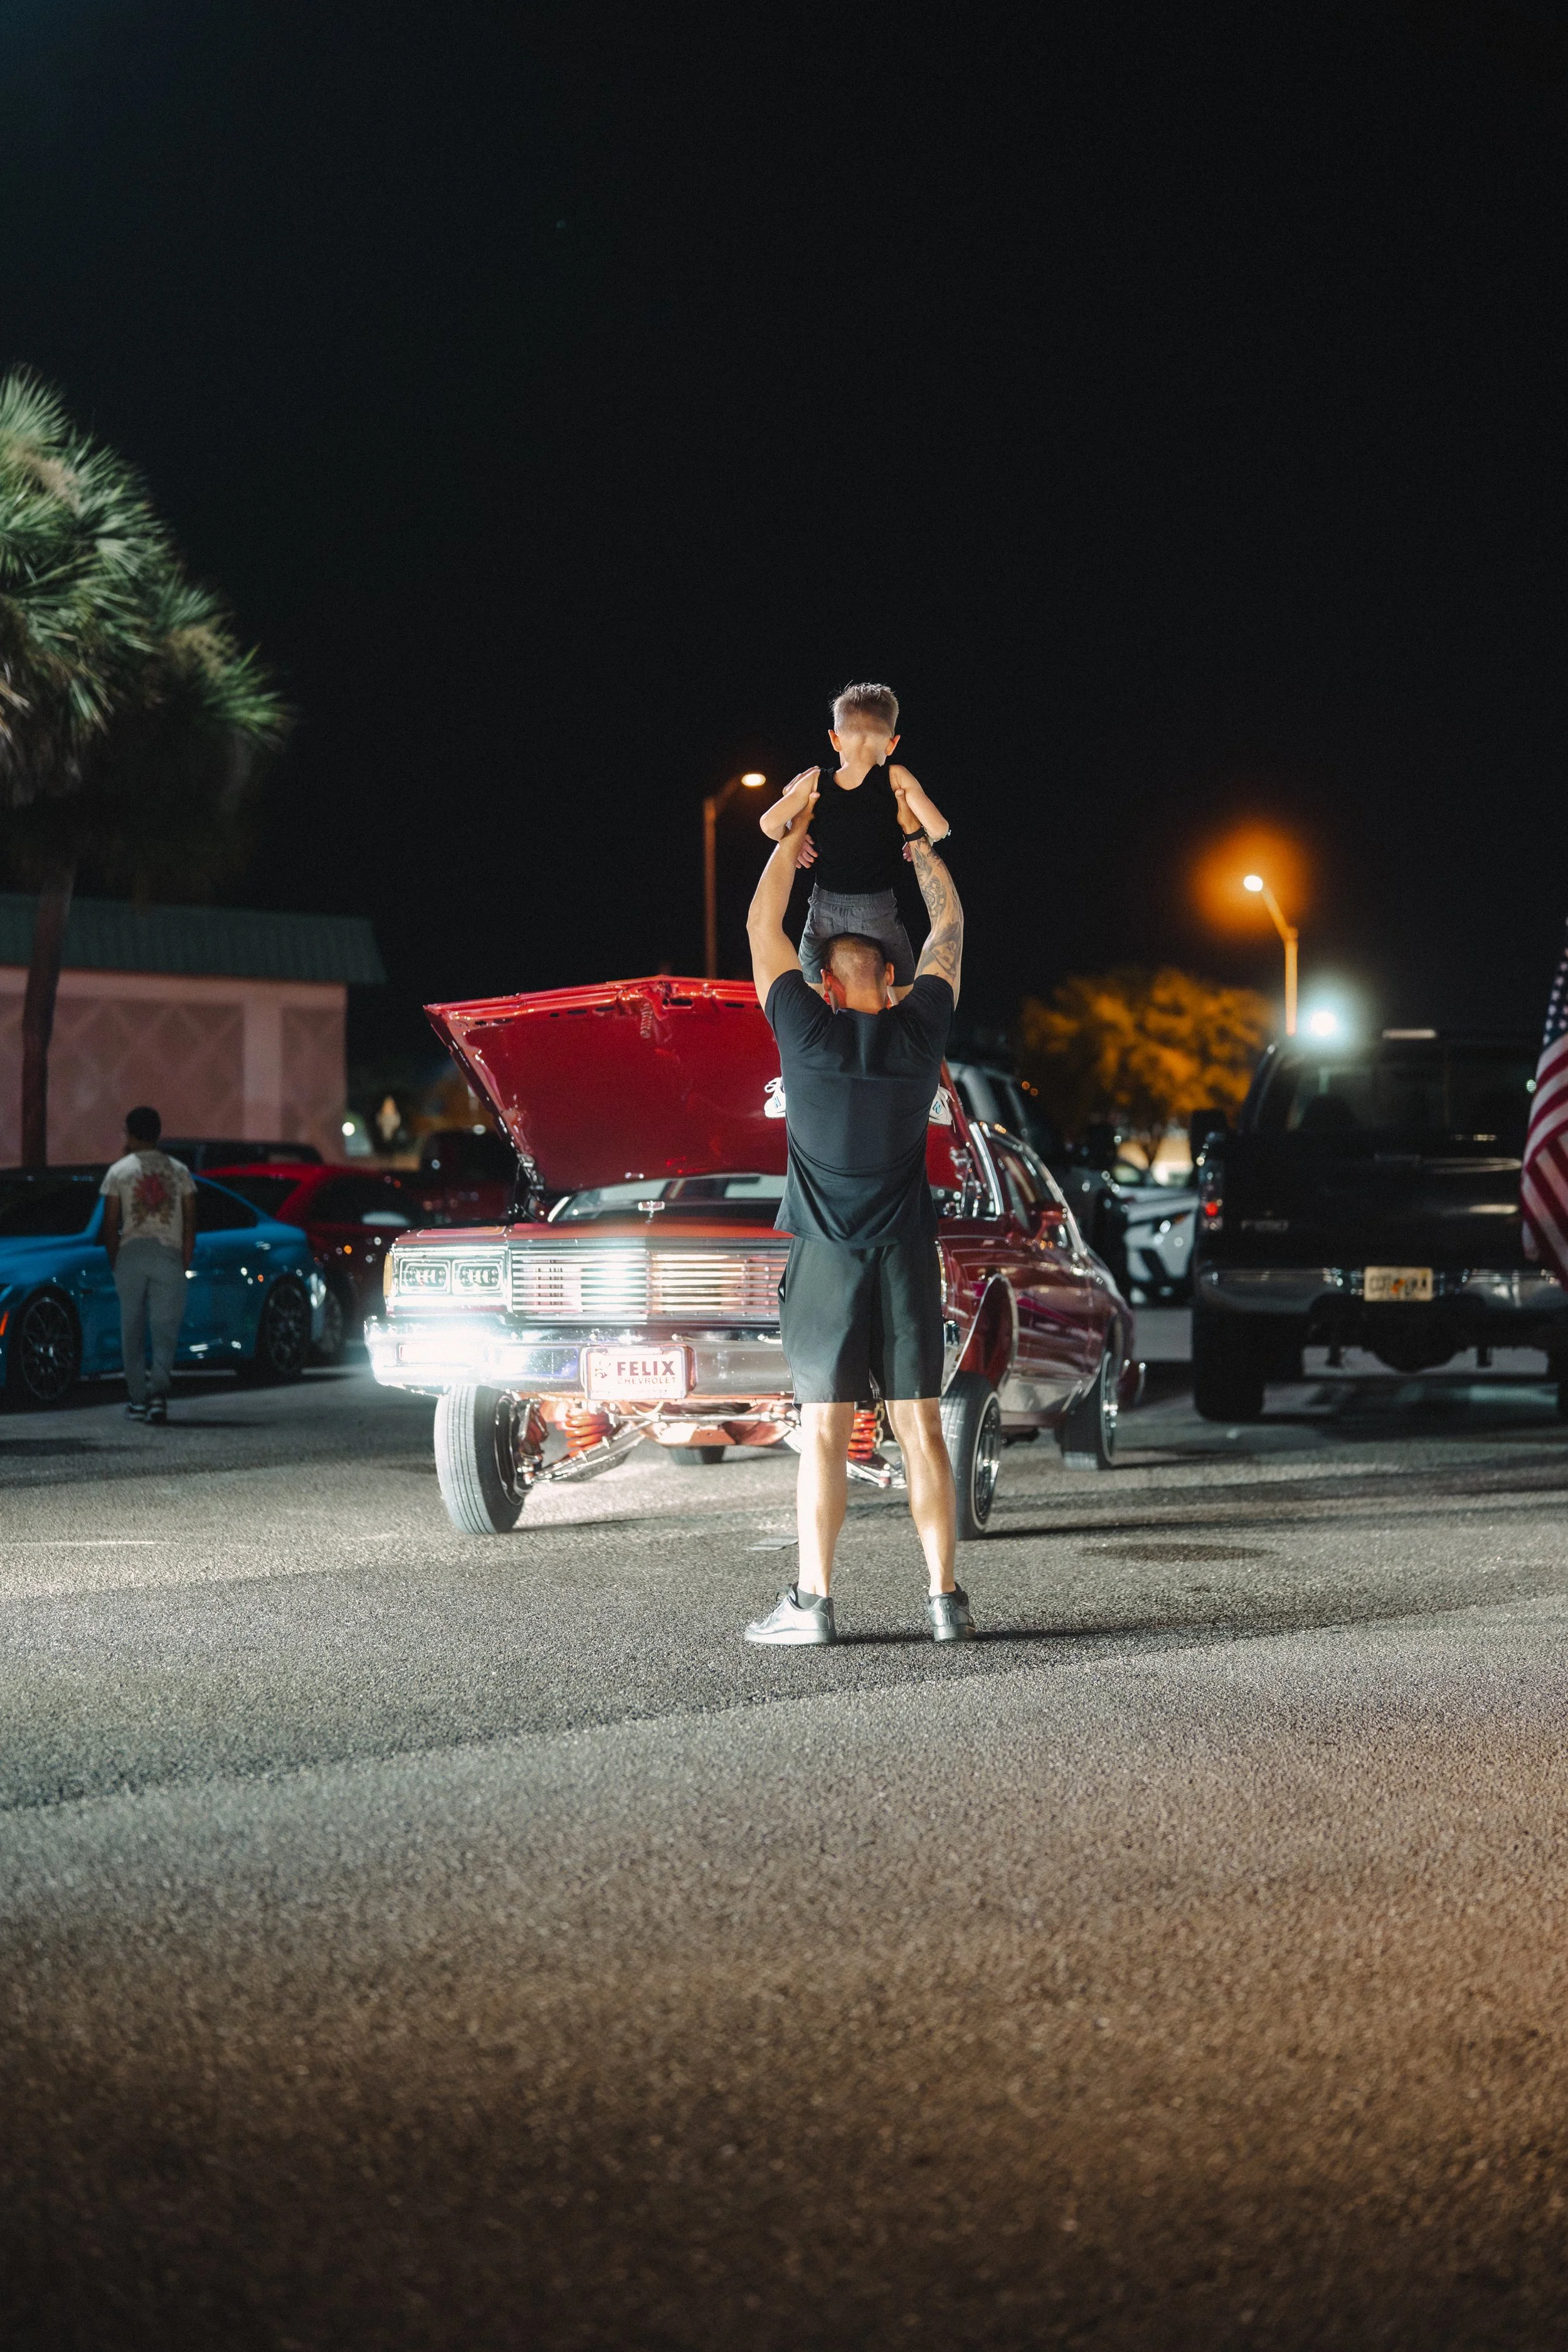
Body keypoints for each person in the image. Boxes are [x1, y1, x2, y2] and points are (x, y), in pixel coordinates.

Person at [743, 766, 969, 1645]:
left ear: (828, 987)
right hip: (907, 1255)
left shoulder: (806, 1033)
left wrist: (789, 839)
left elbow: (762, 927)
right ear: (894, 979)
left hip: (830, 1264)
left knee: (827, 1438)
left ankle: (815, 1604)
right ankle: (945, 1601)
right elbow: (949, 925)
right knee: (922, 1433)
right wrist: (917, 840)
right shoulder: (920, 1035)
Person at [759, 681, 950, 994]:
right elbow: (940, 829)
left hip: (824, 910)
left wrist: (796, 838)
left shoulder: (815, 780)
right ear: (892, 744)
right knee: (905, 985)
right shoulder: (896, 776)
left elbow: (768, 823)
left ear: (835, 739)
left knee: (812, 985)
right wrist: (915, 839)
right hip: (878, 912)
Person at [100, 1107, 196, 1426]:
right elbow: (190, 1221)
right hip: (168, 1253)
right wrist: (185, 1259)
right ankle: (158, 1395)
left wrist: (116, 1261)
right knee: (164, 1329)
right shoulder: (180, 1171)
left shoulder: (118, 1172)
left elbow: (111, 1222)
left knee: (132, 1328)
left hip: (131, 1253)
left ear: (131, 1132)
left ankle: (137, 1398)